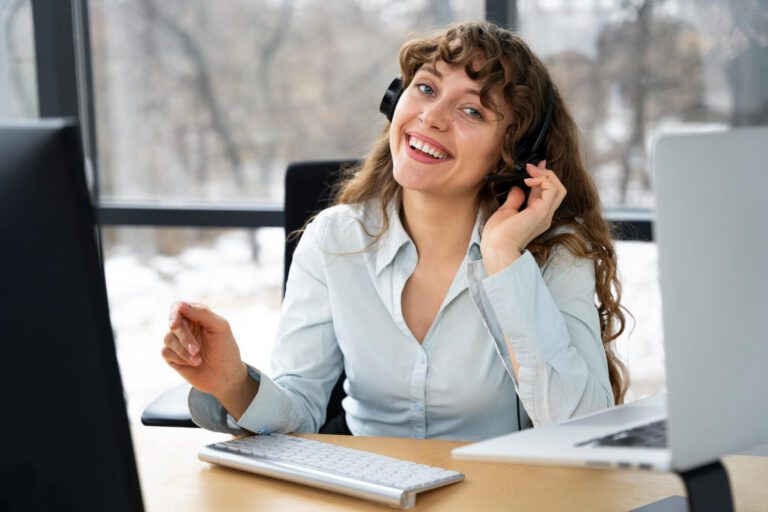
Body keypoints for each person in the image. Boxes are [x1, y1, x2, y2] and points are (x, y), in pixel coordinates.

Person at [161, 20, 629, 441]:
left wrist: (504, 256)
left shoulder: (556, 253)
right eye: (426, 89)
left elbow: (581, 431)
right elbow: (299, 413)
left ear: (515, 155)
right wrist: (230, 383)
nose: (431, 116)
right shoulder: (334, 241)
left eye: (472, 112)